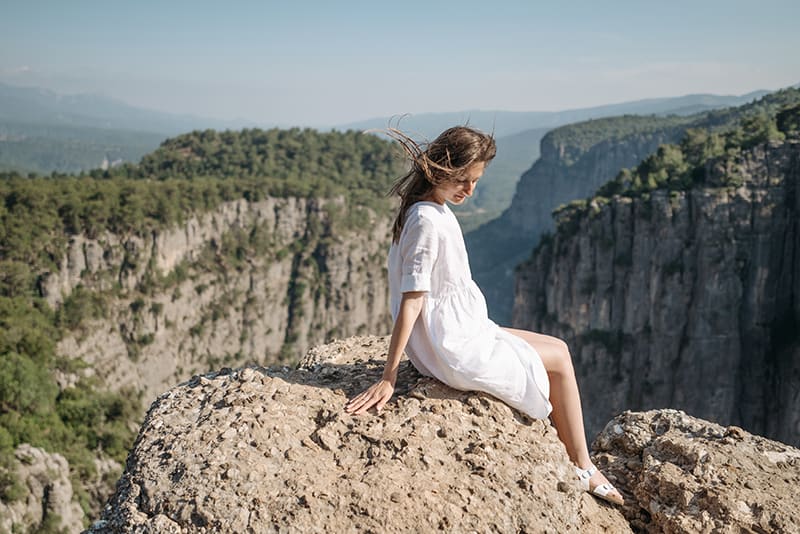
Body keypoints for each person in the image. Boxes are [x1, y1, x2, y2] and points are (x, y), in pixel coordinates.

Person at [344, 126, 623, 506]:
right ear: (440, 168)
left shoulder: (424, 208)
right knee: (558, 359)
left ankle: (577, 459)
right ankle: (583, 466)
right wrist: (388, 377)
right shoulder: (426, 221)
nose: (470, 191)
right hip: (452, 345)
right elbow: (411, 301)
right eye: (463, 180)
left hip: (456, 330)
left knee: (557, 346)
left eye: (476, 181)